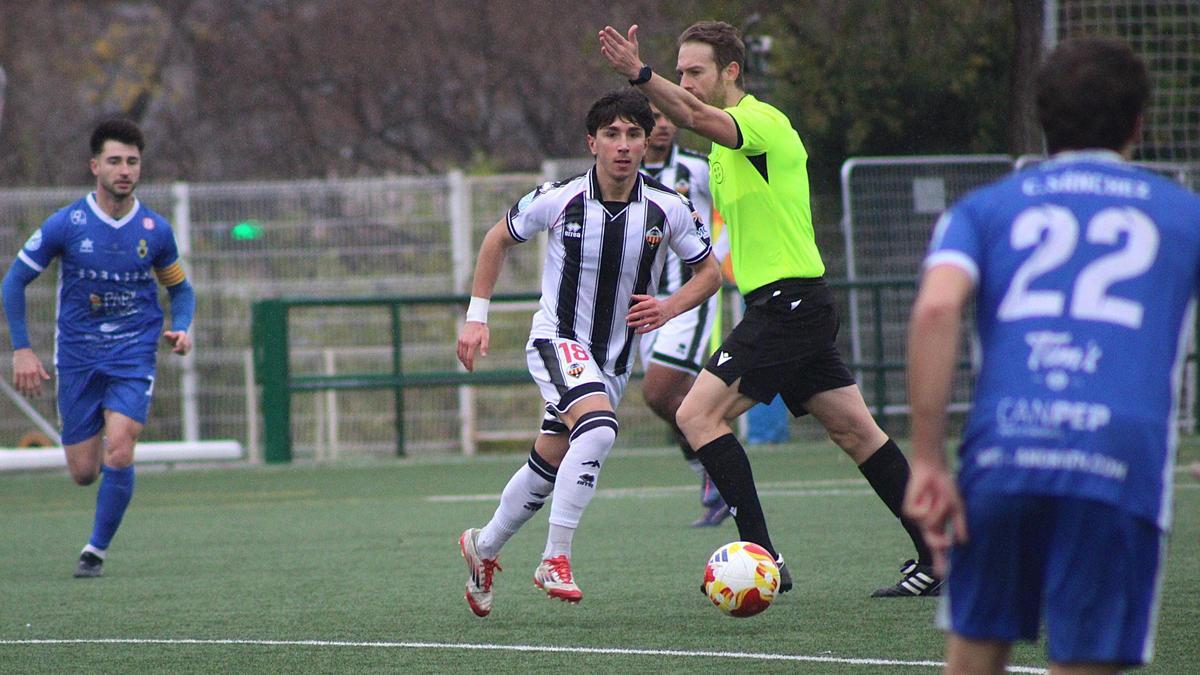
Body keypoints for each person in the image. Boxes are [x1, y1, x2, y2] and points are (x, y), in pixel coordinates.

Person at [600, 20, 936, 596]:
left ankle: (764, 560)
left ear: (731, 72)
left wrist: (641, 74)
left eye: (694, 71)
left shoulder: (760, 122)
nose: (685, 82)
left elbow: (694, 116)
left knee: (695, 415)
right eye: (679, 71)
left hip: (788, 305)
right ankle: (941, 557)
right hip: (787, 304)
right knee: (857, 432)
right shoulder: (719, 151)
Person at [903, 37, 1192, 672]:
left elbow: (935, 308)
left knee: (977, 650)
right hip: (1117, 459)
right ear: (1140, 121)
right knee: (1086, 656)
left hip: (1005, 449)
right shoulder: (1183, 214)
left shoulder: (983, 210)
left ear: (1041, 119)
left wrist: (927, 458)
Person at [456, 89, 720, 617]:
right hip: (557, 340)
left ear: (647, 143)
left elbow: (708, 273)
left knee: (549, 461)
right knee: (598, 428)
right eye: (612, 135)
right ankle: (554, 557)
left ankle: (482, 546)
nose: (623, 146)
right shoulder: (558, 198)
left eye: (634, 135)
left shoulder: (669, 207)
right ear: (592, 143)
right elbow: (495, 240)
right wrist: (476, 317)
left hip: (614, 361)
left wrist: (669, 308)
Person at [2, 118, 195, 578]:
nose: (124, 169)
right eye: (115, 161)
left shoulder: (155, 230)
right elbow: (13, 283)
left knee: (122, 447)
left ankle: (95, 551)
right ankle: (97, 513)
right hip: (78, 356)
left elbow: (181, 290)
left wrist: (182, 327)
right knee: (83, 471)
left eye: (132, 161)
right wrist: (22, 350)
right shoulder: (65, 224)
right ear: (95, 166)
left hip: (132, 352)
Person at [639, 102, 731, 527]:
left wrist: (718, 257)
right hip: (643, 304)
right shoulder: (626, 174)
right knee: (672, 402)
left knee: (658, 392)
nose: (662, 126)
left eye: (667, 117)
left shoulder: (695, 167)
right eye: (652, 119)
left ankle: (717, 472)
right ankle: (716, 468)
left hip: (689, 297)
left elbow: (732, 213)